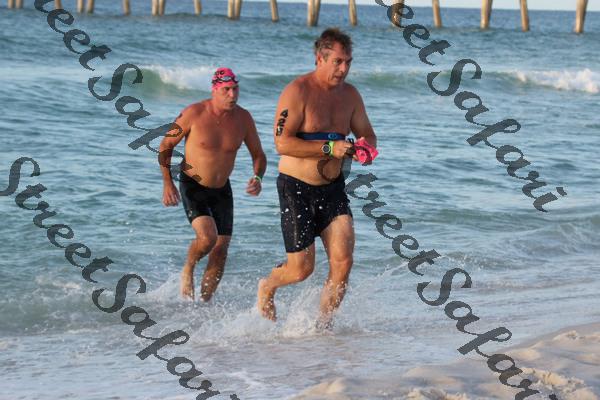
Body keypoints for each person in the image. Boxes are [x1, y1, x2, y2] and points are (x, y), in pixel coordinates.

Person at [257, 28, 377, 328]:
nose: (344, 69)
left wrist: (364, 149)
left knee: (343, 262)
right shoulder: (297, 91)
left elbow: (368, 133)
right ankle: (267, 286)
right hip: (296, 188)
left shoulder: (351, 95)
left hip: (333, 189)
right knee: (301, 270)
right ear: (319, 59)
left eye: (348, 62)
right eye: (337, 61)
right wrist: (329, 147)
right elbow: (282, 143)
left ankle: (323, 328)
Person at [159, 67, 267, 302]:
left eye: (235, 89)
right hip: (193, 184)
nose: (232, 95)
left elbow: (259, 155)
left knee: (220, 250)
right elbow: (166, 145)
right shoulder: (194, 113)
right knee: (208, 239)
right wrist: (168, 183)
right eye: (226, 90)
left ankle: (204, 304)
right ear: (214, 90)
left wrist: (257, 178)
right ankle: (188, 267)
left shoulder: (244, 119)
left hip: (222, 189)